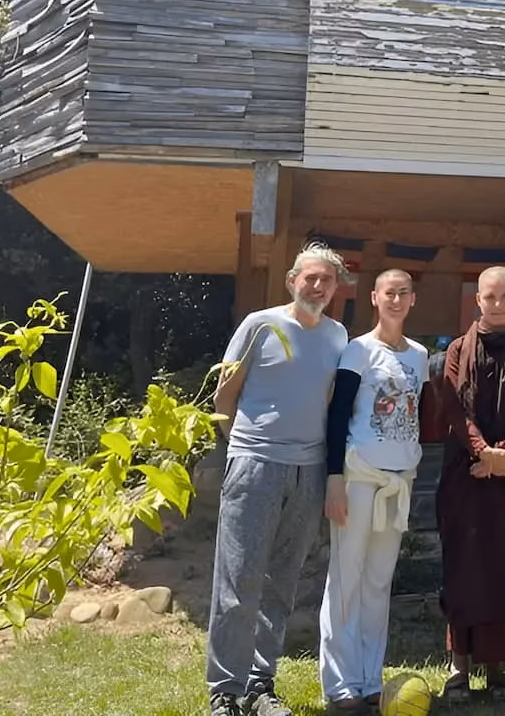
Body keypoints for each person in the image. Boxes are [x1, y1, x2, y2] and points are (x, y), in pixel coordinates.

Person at [206, 244, 351, 716]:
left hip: (308, 472)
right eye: (310, 278)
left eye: (326, 280)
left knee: (281, 583)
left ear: (335, 287)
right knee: (238, 579)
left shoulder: (337, 336)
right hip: (254, 465)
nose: (317, 286)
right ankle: (224, 692)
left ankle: (258, 686)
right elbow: (224, 394)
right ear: (292, 280)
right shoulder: (259, 324)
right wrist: (239, 449)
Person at [434, 266, 505, 704]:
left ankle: (497, 670)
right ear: (477, 300)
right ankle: (460, 667)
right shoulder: (459, 350)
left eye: (504, 296)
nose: (496, 303)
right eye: (489, 296)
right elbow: (454, 407)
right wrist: (483, 452)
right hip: (467, 476)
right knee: (465, 570)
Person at [319, 269, 430, 713]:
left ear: (413, 300)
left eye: (404, 293)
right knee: (346, 578)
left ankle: (369, 678)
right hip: (358, 475)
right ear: (374, 298)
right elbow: (338, 415)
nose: (396, 300)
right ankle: (340, 684)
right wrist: (334, 479)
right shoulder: (357, 351)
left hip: (398, 480)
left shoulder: (420, 356)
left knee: (378, 583)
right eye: (390, 293)